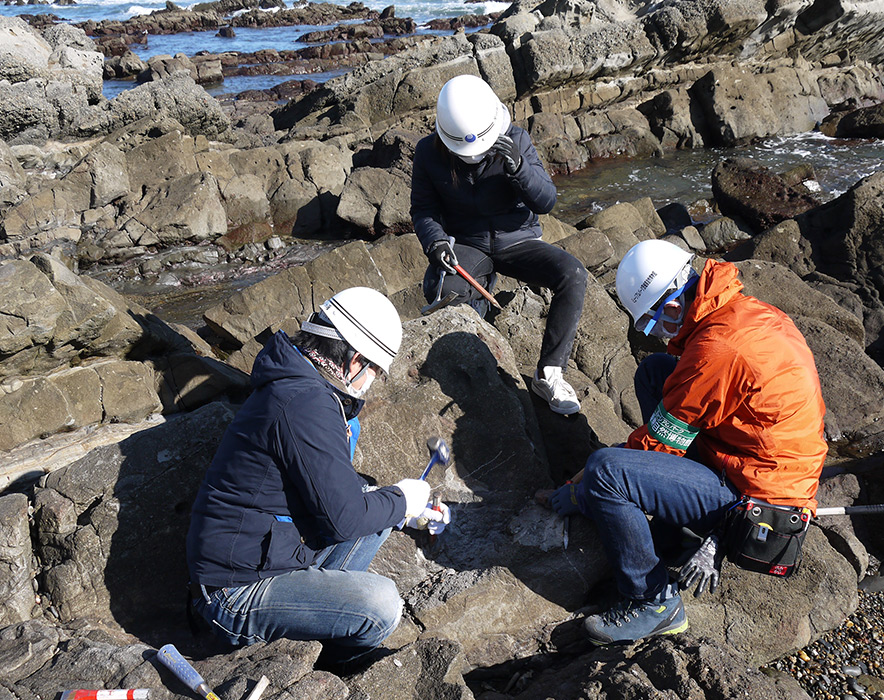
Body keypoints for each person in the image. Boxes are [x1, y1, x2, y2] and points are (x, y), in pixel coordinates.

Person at [540, 239, 827, 645]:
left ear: (672, 307)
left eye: (648, 322)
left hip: (757, 506)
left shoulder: (718, 348)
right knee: (656, 372)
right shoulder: (742, 313)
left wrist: (578, 491)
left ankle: (653, 601)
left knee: (607, 472)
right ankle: (677, 530)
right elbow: (682, 412)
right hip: (756, 464)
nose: (651, 331)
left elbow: (656, 445)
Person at [186, 287, 451, 667]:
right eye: (375, 371)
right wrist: (402, 500)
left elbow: (338, 498)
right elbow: (344, 518)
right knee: (381, 605)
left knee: (379, 512)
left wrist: (402, 509)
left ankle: (320, 621)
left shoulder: (300, 386)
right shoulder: (305, 401)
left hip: (271, 555)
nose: (371, 383)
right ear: (355, 360)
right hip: (234, 592)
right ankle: (329, 666)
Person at [410, 73, 588, 415]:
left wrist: (519, 169)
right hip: (468, 243)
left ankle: (549, 372)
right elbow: (424, 209)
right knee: (445, 289)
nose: (474, 156)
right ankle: (476, 357)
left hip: (517, 241)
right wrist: (435, 243)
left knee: (573, 273)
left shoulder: (515, 139)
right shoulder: (428, 153)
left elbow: (547, 201)